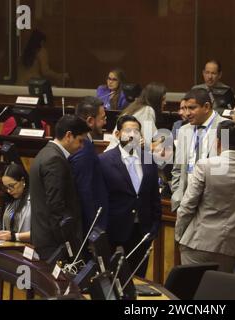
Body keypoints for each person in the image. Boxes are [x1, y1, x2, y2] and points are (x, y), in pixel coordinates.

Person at [175, 120, 235, 272]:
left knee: (193, 292)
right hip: (231, 245)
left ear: (218, 141)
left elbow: (187, 206)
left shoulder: (205, 166)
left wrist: (179, 236)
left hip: (198, 241)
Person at [98, 115, 162, 278]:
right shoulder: (104, 161)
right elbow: (100, 199)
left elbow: (154, 196)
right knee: (113, 278)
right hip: (114, 231)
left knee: (138, 278)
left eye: (137, 131)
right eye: (128, 131)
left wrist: (154, 227)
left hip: (142, 232)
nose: (133, 134)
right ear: (118, 135)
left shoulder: (148, 159)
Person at [30, 114, 90, 260]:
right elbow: (56, 205)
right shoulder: (55, 159)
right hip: (54, 241)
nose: (81, 146)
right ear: (69, 135)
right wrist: (67, 240)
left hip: (44, 236)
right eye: (80, 141)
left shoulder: (45, 152)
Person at [171, 88, 226, 212]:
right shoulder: (184, 130)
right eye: (185, 108)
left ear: (206, 107)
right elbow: (177, 169)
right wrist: (177, 194)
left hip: (212, 205)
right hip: (185, 203)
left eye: (192, 108)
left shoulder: (226, 128)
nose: (186, 113)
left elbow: (226, 170)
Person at [69, 97, 109, 237]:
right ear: (90, 121)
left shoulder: (83, 144)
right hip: (88, 228)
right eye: (102, 118)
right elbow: (85, 192)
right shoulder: (83, 149)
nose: (105, 122)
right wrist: (94, 232)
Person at [105, 82, 166, 151]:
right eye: (163, 99)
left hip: (114, 151)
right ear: (156, 99)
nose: (165, 102)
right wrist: (164, 138)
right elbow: (152, 138)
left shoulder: (135, 107)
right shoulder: (147, 110)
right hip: (120, 155)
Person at [0, 163, 31, 242]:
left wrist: (14, 236)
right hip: (11, 247)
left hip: (31, 250)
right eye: (6, 187)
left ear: (22, 181)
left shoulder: (35, 200)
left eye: (11, 186)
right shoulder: (10, 201)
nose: (8, 191)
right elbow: (7, 229)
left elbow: (42, 233)